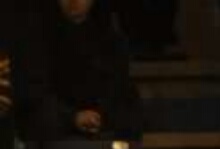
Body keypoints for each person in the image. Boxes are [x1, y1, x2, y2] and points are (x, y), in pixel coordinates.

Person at [14, 0, 143, 141]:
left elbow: (119, 88)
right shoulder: (37, 39)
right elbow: (33, 92)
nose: (73, 0)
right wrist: (72, 118)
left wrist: (98, 116)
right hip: (54, 133)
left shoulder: (111, 40)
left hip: (103, 130)